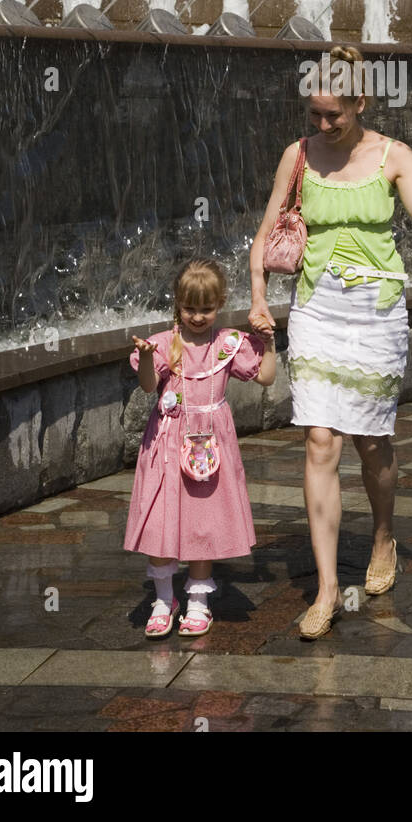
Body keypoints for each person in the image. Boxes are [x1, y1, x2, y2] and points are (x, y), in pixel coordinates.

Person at [248, 44, 412, 640]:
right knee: (319, 442)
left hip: (376, 313)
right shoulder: (298, 156)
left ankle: (384, 532)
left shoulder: (395, 157)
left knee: (370, 444)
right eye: (313, 113)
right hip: (315, 306)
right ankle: (325, 589)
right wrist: (260, 299)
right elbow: (263, 239)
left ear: (361, 103)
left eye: (332, 114)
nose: (321, 124)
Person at [124, 258, 276, 638]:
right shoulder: (164, 344)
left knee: (202, 524)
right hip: (167, 447)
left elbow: (266, 377)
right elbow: (147, 386)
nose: (197, 316)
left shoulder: (227, 344)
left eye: (206, 309)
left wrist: (270, 343)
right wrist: (145, 357)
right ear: (178, 304)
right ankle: (163, 599)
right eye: (190, 308)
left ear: (220, 303)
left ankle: (197, 601)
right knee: (160, 520)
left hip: (210, 449)